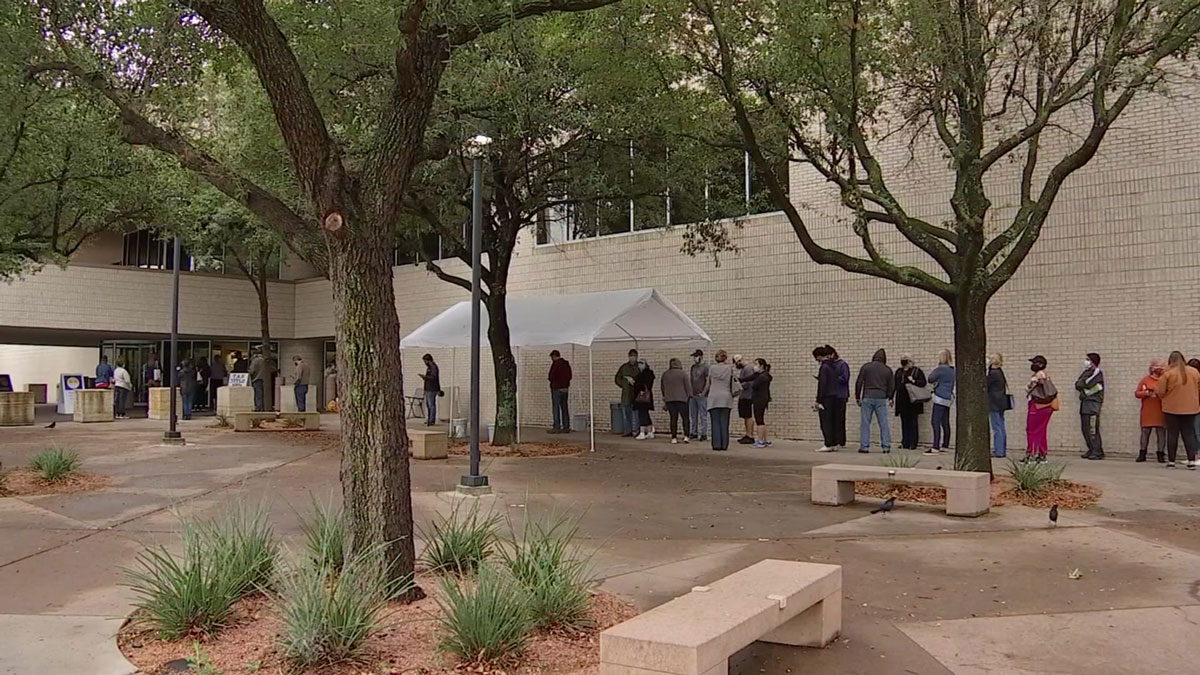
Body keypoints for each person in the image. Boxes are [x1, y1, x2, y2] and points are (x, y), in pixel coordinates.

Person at [1156, 351, 1200, 469]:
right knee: (1189, 434)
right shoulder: (1194, 372)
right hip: (1191, 408)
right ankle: (1191, 460)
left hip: (1171, 408)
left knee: (1172, 434)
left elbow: (1160, 392)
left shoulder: (1167, 374)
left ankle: (1171, 461)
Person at [855, 349, 894, 453]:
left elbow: (859, 382)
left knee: (865, 423)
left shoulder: (866, 367)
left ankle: (864, 447)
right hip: (881, 398)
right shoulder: (887, 370)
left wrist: (857, 397)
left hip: (867, 397)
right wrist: (890, 397)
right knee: (883, 423)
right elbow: (891, 385)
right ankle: (886, 447)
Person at [814, 345, 849, 452]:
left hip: (827, 397)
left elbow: (822, 385)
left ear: (819, 356)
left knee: (826, 421)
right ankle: (834, 443)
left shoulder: (824, 367)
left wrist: (818, 399)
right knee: (834, 420)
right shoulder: (833, 366)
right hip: (835, 396)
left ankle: (828, 443)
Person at [1025, 355, 1058, 462]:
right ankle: (1042, 454)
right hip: (1047, 406)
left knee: (1032, 430)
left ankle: (1031, 454)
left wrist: (1030, 384)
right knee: (1041, 430)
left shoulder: (1039, 376)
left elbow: (1029, 388)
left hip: (1038, 406)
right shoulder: (1046, 375)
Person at [704, 350, 737, 451]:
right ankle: (724, 445)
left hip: (714, 397)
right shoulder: (729, 368)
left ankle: (716, 444)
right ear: (725, 358)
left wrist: (703, 393)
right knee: (724, 422)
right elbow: (733, 382)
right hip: (726, 397)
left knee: (715, 422)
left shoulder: (711, 368)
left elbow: (708, 384)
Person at [1135, 359, 1167, 463]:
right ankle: (1142, 453)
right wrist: (1145, 393)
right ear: (1151, 368)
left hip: (1161, 410)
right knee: (1145, 432)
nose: (1159, 368)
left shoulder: (1165, 379)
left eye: (1161, 366)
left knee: (1161, 433)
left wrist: (1159, 393)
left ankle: (1160, 454)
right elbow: (1137, 393)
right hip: (1147, 410)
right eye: (1157, 366)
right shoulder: (1145, 380)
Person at [925, 349, 956, 455]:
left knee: (935, 422)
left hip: (939, 397)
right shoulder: (952, 370)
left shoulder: (940, 369)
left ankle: (935, 446)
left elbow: (930, 379)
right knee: (945, 422)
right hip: (948, 398)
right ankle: (945, 445)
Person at [1076, 352, 1105, 460]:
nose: (1086, 361)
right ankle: (1091, 449)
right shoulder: (1086, 372)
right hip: (1084, 405)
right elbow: (1078, 384)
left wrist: (1083, 385)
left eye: (1088, 359)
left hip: (1093, 405)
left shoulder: (1097, 372)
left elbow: (1089, 384)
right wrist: (1082, 385)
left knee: (1093, 429)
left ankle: (1097, 451)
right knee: (1085, 429)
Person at [893, 355, 927, 450]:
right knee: (904, 422)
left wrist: (913, 381)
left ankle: (913, 442)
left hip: (913, 401)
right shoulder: (899, 371)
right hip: (901, 400)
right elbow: (895, 384)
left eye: (906, 360)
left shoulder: (917, 371)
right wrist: (891, 397)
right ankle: (905, 442)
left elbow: (923, 383)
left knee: (913, 422)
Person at [660, 357, 692, 444]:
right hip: (682, 399)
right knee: (685, 418)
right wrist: (690, 395)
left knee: (673, 418)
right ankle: (686, 436)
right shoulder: (683, 374)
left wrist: (665, 397)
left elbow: (662, 387)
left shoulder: (665, 374)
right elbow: (688, 386)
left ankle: (674, 437)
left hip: (670, 400)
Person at [986, 354, 1011, 458]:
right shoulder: (1000, 372)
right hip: (1001, 402)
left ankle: (998, 451)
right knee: (1001, 426)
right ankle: (1002, 450)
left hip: (994, 402)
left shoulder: (993, 373)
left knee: (997, 427)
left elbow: (986, 384)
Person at [747, 358, 773, 448]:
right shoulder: (764, 375)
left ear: (761, 365)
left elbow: (754, 385)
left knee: (759, 421)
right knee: (761, 420)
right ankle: (765, 440)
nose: (754, 366)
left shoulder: (762, 377)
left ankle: (760, 441)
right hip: (763, 399)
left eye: (756, 364)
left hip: (759, 399)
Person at [615, 349, 641, 437]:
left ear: (636, 357)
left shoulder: (639, 367)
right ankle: (628, 430)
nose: (632, 358)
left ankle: (636, 430)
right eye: (631, 356)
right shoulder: (624, 367)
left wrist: (635, 382)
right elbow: (617, 378)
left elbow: (644, 378)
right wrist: (624, 382)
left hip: (636, 395)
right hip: (626, 394)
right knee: (626, 413)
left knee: (636, 414)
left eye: (634, 356)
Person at [548, 350, 572, 433]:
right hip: (565, 388)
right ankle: (566, 426)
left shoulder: (555, 364)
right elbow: (570, 376)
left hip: (556, 388)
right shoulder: (566, 363)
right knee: (564, 407)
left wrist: (553, 381)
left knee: (556, 408)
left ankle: (557, 427)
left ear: (554, 356)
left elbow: (551, 376)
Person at [734, 354, 756, 445]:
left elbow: (748, 383)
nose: (736, 365)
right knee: (745, 416)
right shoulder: (744, 369)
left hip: (748, 395)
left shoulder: (748, 369)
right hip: (745, 395)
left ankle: (750, 435)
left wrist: (738, 386)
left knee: (748, 416)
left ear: (739, 361)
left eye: (736, 363)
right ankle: (747, 434)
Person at [632, 360, 656, 440]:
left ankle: (642, 432)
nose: (640, 365)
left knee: (642, 414)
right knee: (646, 414)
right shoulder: (648, 374)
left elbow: (643, 385)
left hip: (642, 397)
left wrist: (637, 386)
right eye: (639, 363)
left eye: (642, 363)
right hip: (647, 398)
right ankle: (650, 432)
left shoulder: (644, 375)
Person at [688, 350, 709, 441]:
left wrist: (704, 392)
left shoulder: (706, 367)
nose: (694, 359)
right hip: (693, 394)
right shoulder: (693, 367)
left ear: (700, 356)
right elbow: (691, 380)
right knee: (693, 415)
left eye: (696, 356)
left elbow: (708, 381)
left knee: (703, 415)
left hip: (702, 395)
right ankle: (694, 432)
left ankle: (704, 433)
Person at [419, 353, 440, 426]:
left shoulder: (433, 367)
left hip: (432, 388)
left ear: (429, 360)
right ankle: (429, 419)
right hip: (428, 388)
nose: (425, 363)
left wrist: (426, 377)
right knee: (428, 404)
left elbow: (433, 377)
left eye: (425, 361)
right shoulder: (429, 368)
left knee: (431, 404)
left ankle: (431, 420)